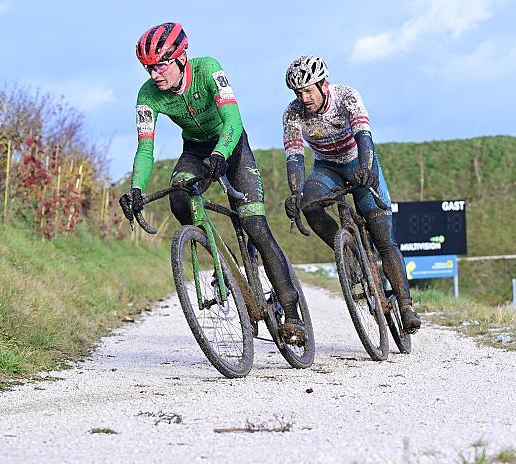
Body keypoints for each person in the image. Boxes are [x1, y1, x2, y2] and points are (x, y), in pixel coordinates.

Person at [120, 22, 307, 343]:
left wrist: (221, 153)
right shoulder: (147, 95)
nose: (155, 74)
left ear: (181, 58)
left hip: (231, 144)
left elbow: (233, 119)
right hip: (194, 149)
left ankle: (292, 315)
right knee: (179, 197)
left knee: (255, 226)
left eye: (161, 64)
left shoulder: (208, 70)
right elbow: (145, 147)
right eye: (149, 68)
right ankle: (231, 277)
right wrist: (136, 187)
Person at [281, 55, 421, 334]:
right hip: (327, 168)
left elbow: (364, 137)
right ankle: (346, 251)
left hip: (358, 160)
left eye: (308, 90)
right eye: (299, 93)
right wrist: (295, 192)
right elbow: (295, 157)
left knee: (382, 235)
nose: (304, 97)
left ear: (323, 84)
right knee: (309, 204)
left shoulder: (347, 97)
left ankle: (405, 305)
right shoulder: (293, 113)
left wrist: (368, 168)